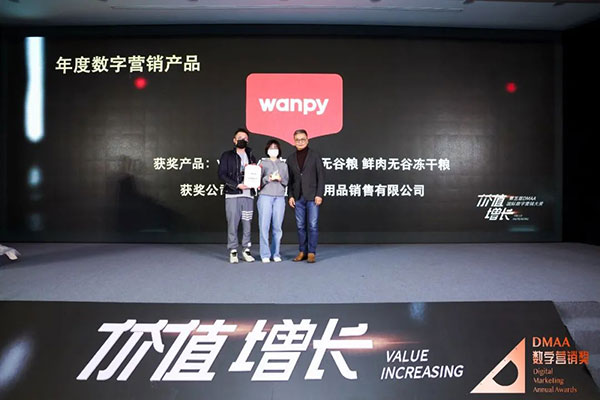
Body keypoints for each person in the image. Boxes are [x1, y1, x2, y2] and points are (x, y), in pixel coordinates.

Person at [218, 128, 257, 264]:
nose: (242, 140)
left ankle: (246, 249)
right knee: (233, 223)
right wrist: (237, 185)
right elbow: (222, 174)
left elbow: (256, 173)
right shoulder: (227, 155)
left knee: (247, 223)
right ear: (234, 140)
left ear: (248, 140)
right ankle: (233, 250)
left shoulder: (251, 155)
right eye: (240, 138)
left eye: (245, 138)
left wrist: (255, 181)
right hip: (233, 195)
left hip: (248, 195)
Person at [287, 129, 325, 263]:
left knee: (313, 225)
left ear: (307, 140)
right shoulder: (290, 158)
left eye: (303, 139)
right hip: (298, 197)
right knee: (300, 226)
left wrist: (319, 194)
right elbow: (290, 180)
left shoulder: (315, 156)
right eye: (297, 140)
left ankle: (311, 252)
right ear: (294, 141)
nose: (300, 142)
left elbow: (321, 176)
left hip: (313, 196)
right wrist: (290, 196)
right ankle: (302, 251)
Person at [257, 140, 289, 263]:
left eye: (275, 147)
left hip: (279, 197)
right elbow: (257, 182)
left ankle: (276, 253)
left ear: (279, 150)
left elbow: (286, 181)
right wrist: (268, 178)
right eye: (271, 148)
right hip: (265, 196)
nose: (273, 150)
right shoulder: (262, 163)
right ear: (267, 150)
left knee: (277, 227)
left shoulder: (283, 165)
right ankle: (265, 254)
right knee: (264, 226)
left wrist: (280, 179)